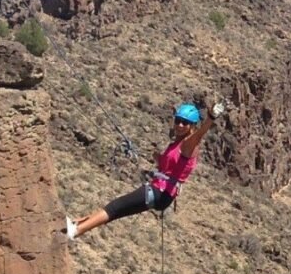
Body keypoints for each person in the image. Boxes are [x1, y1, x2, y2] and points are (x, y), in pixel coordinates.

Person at [67, 101, 226, 240]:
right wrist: (157, 157)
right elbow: (170, 167)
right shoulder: (175, 145)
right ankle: (77, 225)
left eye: (185, 123)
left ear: (192, 126)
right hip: (161, 193)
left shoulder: (187, 145)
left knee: (115, 206)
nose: (180, 125)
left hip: (160, 191)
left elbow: (198, 136)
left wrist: (210, 118)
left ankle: (76, 230)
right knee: (116, 210)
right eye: (177, 121)